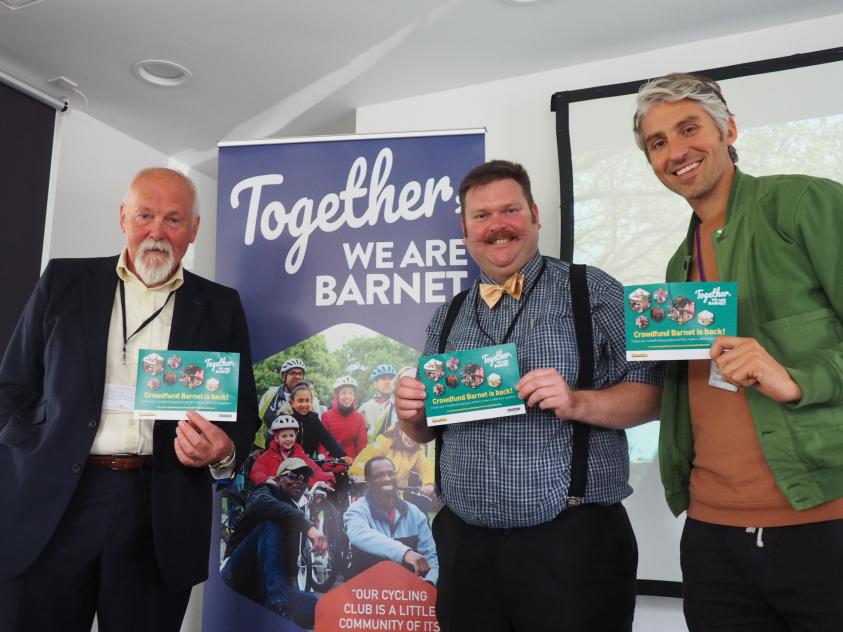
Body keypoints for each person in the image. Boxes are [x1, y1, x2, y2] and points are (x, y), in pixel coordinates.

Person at [394, 160, 662, 632]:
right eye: (482, 215)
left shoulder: (590, 290)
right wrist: (412, 415)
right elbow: (425, 429)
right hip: (466, 545)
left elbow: (654, 394)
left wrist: (578, 401)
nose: (497, 225)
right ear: (465, 229)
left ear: (535, 215)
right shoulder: (448, 315)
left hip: (571, 544)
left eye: (510, 210)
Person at [0, 167, 260, 631]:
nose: (156, 232)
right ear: (123, 217)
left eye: (174, 220)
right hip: (55, 505)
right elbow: (13, 389)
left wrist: (223, 453)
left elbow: (240, 418)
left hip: (159, 508)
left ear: (194, 230)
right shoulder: (63, 281)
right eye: (145, 215)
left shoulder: (221, 306)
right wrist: (31, 456)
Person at [633, 72, 843, 631]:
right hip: (711, 537)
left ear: (728, 128)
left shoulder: (804, 203)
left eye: (687, 128)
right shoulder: (677, 267)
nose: (676, 151)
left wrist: (798, 379)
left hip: (822, 521)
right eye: (657, 143)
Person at [222, 458, 327, 628]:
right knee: (270, 525)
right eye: (293, 475)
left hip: (264, 590)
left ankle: (270, 610)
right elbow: (260, 504)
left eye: (304, 479)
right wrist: (307, 526)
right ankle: (277, 610)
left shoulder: (295, 512)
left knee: (323, 608)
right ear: (278, 478)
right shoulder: (265, 491)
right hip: (234, 579)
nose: (299, 481)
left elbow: (285, 572)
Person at [344, 456, 438, 584]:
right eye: (379, 475)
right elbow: (359, 534)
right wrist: (405, 553)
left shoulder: (415, 513)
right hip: (365, 593)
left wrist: (429, 582)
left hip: (406, 593)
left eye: (390, 473)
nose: (387, 478)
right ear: (368, 481)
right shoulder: (357, 510)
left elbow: (431, 557)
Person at [348, 423, 435, 512]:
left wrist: (428, 483)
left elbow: (426, 467)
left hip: (398, 493)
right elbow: (366, 457)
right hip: (378, 491)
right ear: (400, 430)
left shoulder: (417, 450)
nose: (411, 439)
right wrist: (357, 473)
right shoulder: (384, 442)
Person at [250, 415, 334, 487]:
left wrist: (326, 478)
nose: (288, 439)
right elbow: (257, 470)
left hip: (296, 496)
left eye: (291, 435)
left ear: (295, 436)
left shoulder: (300, 455)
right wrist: (265, 480)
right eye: (284, 436)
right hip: (274, 495)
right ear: (276, 438)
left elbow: (314, 470)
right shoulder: (267, 456)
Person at [321, 375, 368, 461]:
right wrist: (327, 465)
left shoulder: (359, 417)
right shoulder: (326, 416)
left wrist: (357, 463)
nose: (347, 396)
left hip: (353, 463)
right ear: (337, 395)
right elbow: (322, 446)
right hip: (332, 463)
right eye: (343, 393)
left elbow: (362, 445)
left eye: (350, 393)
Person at [358, 364, 398, 441]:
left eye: (390, 378)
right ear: (375, 384)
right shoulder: (364, 408)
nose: (387, 382)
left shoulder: (401, 405)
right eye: (383, 378)